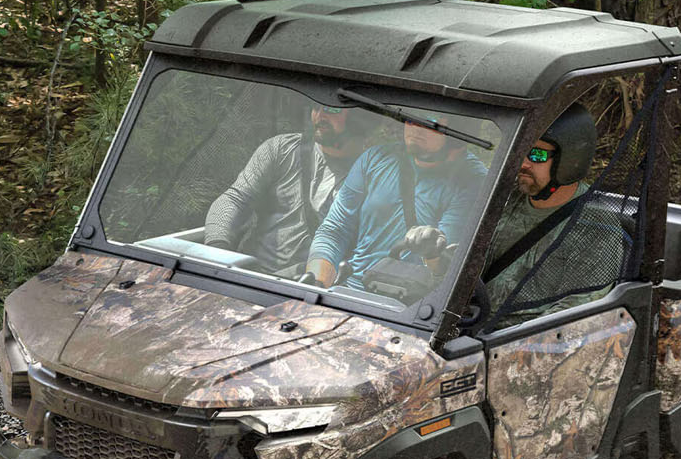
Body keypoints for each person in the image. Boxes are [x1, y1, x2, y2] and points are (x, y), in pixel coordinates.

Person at [303, 116, 489, 292]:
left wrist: (432, 252)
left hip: (413, 302)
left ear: (459, 129)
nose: (415, 127)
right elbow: (335, 230)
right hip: (351, 290)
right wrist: (317, 283)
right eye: (412, 117)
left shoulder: (472, 180)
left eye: (430, 120)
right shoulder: (375, 159)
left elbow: (446, 266)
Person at [481, 103, 628, 321]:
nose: (524, 163)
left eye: (537, 155)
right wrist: (438, 258)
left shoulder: (596, 227)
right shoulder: (504, 199)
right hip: (470, 322)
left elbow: (575, 311)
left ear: (570, 161)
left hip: (523, 336)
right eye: (521, 151)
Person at [204, 104, 367, 275]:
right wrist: (218, 251)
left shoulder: (374, 177)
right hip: (245, 274)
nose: (320, 115)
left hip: (310, 283)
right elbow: (235, 199)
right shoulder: (282, 149)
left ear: (360, 118)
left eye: (332, 109)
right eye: (316, 107)